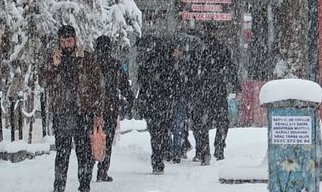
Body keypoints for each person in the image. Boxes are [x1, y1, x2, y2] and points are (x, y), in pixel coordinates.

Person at [41, 25, 104, 192]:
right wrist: (53, 67)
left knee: (84, 153)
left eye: (69, 41)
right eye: (63, 42)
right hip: (62, 113)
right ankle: (59, 191)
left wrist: (97, 113)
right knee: (62, 153)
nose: (66, 45)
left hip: (83, 113)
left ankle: (85, 189)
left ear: (75, 40)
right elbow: (43, 82)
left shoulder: (86, 58)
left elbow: (98, 86)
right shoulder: (54, 59)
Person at [190, 31, 239, 165]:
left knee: (201, 122)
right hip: (218, 89)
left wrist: (191, 87)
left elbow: (192, 70)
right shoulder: (222, 48)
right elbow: (230, 68)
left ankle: (204, 151)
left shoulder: (198, 49)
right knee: (222, 120)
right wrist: (235, 85)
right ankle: (219, 147)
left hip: (202, 90)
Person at [137, 37, 180, 174]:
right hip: (164, 104)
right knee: (162, 131)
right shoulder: (169, 65)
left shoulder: (147, 62)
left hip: (150, 103)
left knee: (155, 133)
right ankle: (160, 155)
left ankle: (157, 158)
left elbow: (142, 83)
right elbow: (175, 85)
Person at [94, 35, 134, 182]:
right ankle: (102, 169)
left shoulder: (92, 63)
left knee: (93, 138)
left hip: (94, 107)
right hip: (110, 106)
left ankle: (88, 167)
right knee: (108, 139)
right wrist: (129, 99)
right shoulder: (115, 64)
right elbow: (124, 85)